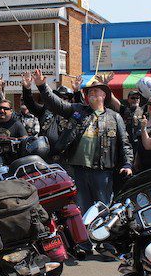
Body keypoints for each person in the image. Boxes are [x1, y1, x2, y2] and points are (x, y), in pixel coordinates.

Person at [32, 69, 133, 213]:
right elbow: (56, 104)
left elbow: (125, 144)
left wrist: (127, 164)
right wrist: (42, 86)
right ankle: (85, 235)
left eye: (96, 91)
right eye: (89, 91)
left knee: (103, 209)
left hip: (102, 172)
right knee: (82, 210)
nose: (91, 93)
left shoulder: (115, 117)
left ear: (104, 95)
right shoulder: (78, 110)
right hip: (77, 171)